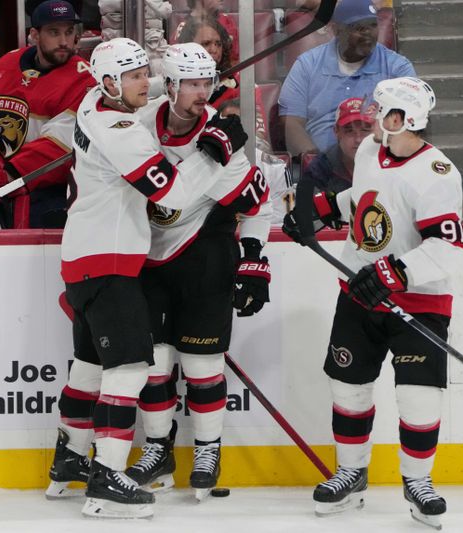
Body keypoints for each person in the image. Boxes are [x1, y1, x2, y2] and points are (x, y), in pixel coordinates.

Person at [47, 38, 244, 518]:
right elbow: (173, 196)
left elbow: (147, 87)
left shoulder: (93, 98)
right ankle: (107, 479)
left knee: (89, 366)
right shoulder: (120, 130)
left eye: (146, 74)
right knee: (132, 367)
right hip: (110, 261)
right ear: (111, 82)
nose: (145, 83)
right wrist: (214, 151)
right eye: (135, 76)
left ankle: (68, 460)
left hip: (84, 255)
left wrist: (196, 89)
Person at [283, 77, 463, 530]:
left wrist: (392, 274)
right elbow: (365, 200)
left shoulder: (438, 176)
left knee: (417, 397)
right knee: (348, 389)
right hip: (359, 295)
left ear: (402, 120)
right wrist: (322, 209)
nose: (370, 116)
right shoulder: (370, 150)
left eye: (379, 110)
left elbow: (447, 248)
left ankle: (418, 482)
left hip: (419, 304)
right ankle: (351, 472)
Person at [123, 43, 272, 501]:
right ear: (169, 85)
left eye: (207, 82)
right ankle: (157, 450)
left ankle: (208, 450)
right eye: (191, 83)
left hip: (205, 256)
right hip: (148, 259)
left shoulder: (224, 137)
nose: (201, 92)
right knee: (154, 366)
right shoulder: (140, 123)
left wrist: (253, 259)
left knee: (203, 365)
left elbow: (258, 206)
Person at [0, 0, 93, 230]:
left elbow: (59, 145)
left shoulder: (84, 79)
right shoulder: (7, 63)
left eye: (69, 32)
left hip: (49, 193)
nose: (64, 41)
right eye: (54, 32)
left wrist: (4, 175)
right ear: (35, 35)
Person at [278, 0, 415, 155]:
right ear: (337, 30)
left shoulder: (397, 68)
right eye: (359, 28)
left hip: (379, 163)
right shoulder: (307, 65)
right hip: (324, 165)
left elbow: (411, 123)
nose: (368, 34)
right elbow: (291, 122)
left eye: (373, 25)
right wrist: (317, 164)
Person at [301, 96, 374, 194]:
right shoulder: (319, 169)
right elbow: (305, 207)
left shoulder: (389, 165)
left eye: (365, 130)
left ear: (375, 131)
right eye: (350, 131)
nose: (358, 139)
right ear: (336, 132)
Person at [174, 0, 239, 65]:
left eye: (219, 44)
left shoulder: (227, 21)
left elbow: (236, 59)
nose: (214, 50)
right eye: (206, 44)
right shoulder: (183, 28)